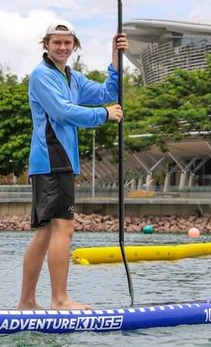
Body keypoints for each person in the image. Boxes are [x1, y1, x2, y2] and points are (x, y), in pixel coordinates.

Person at [17, 19, 128, 310]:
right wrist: (103, 116)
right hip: (53, 159)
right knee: (63, 228)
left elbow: (108, 94)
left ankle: (27, 302)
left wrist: (115, 59)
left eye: (67, 43)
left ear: (74, 46)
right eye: (57, 42)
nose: (62, 47)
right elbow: (62, 113)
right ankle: (60, 299)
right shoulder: (42, 76)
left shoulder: (72, 78)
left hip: (56, 162)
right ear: (47, 45)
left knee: (45, 231)